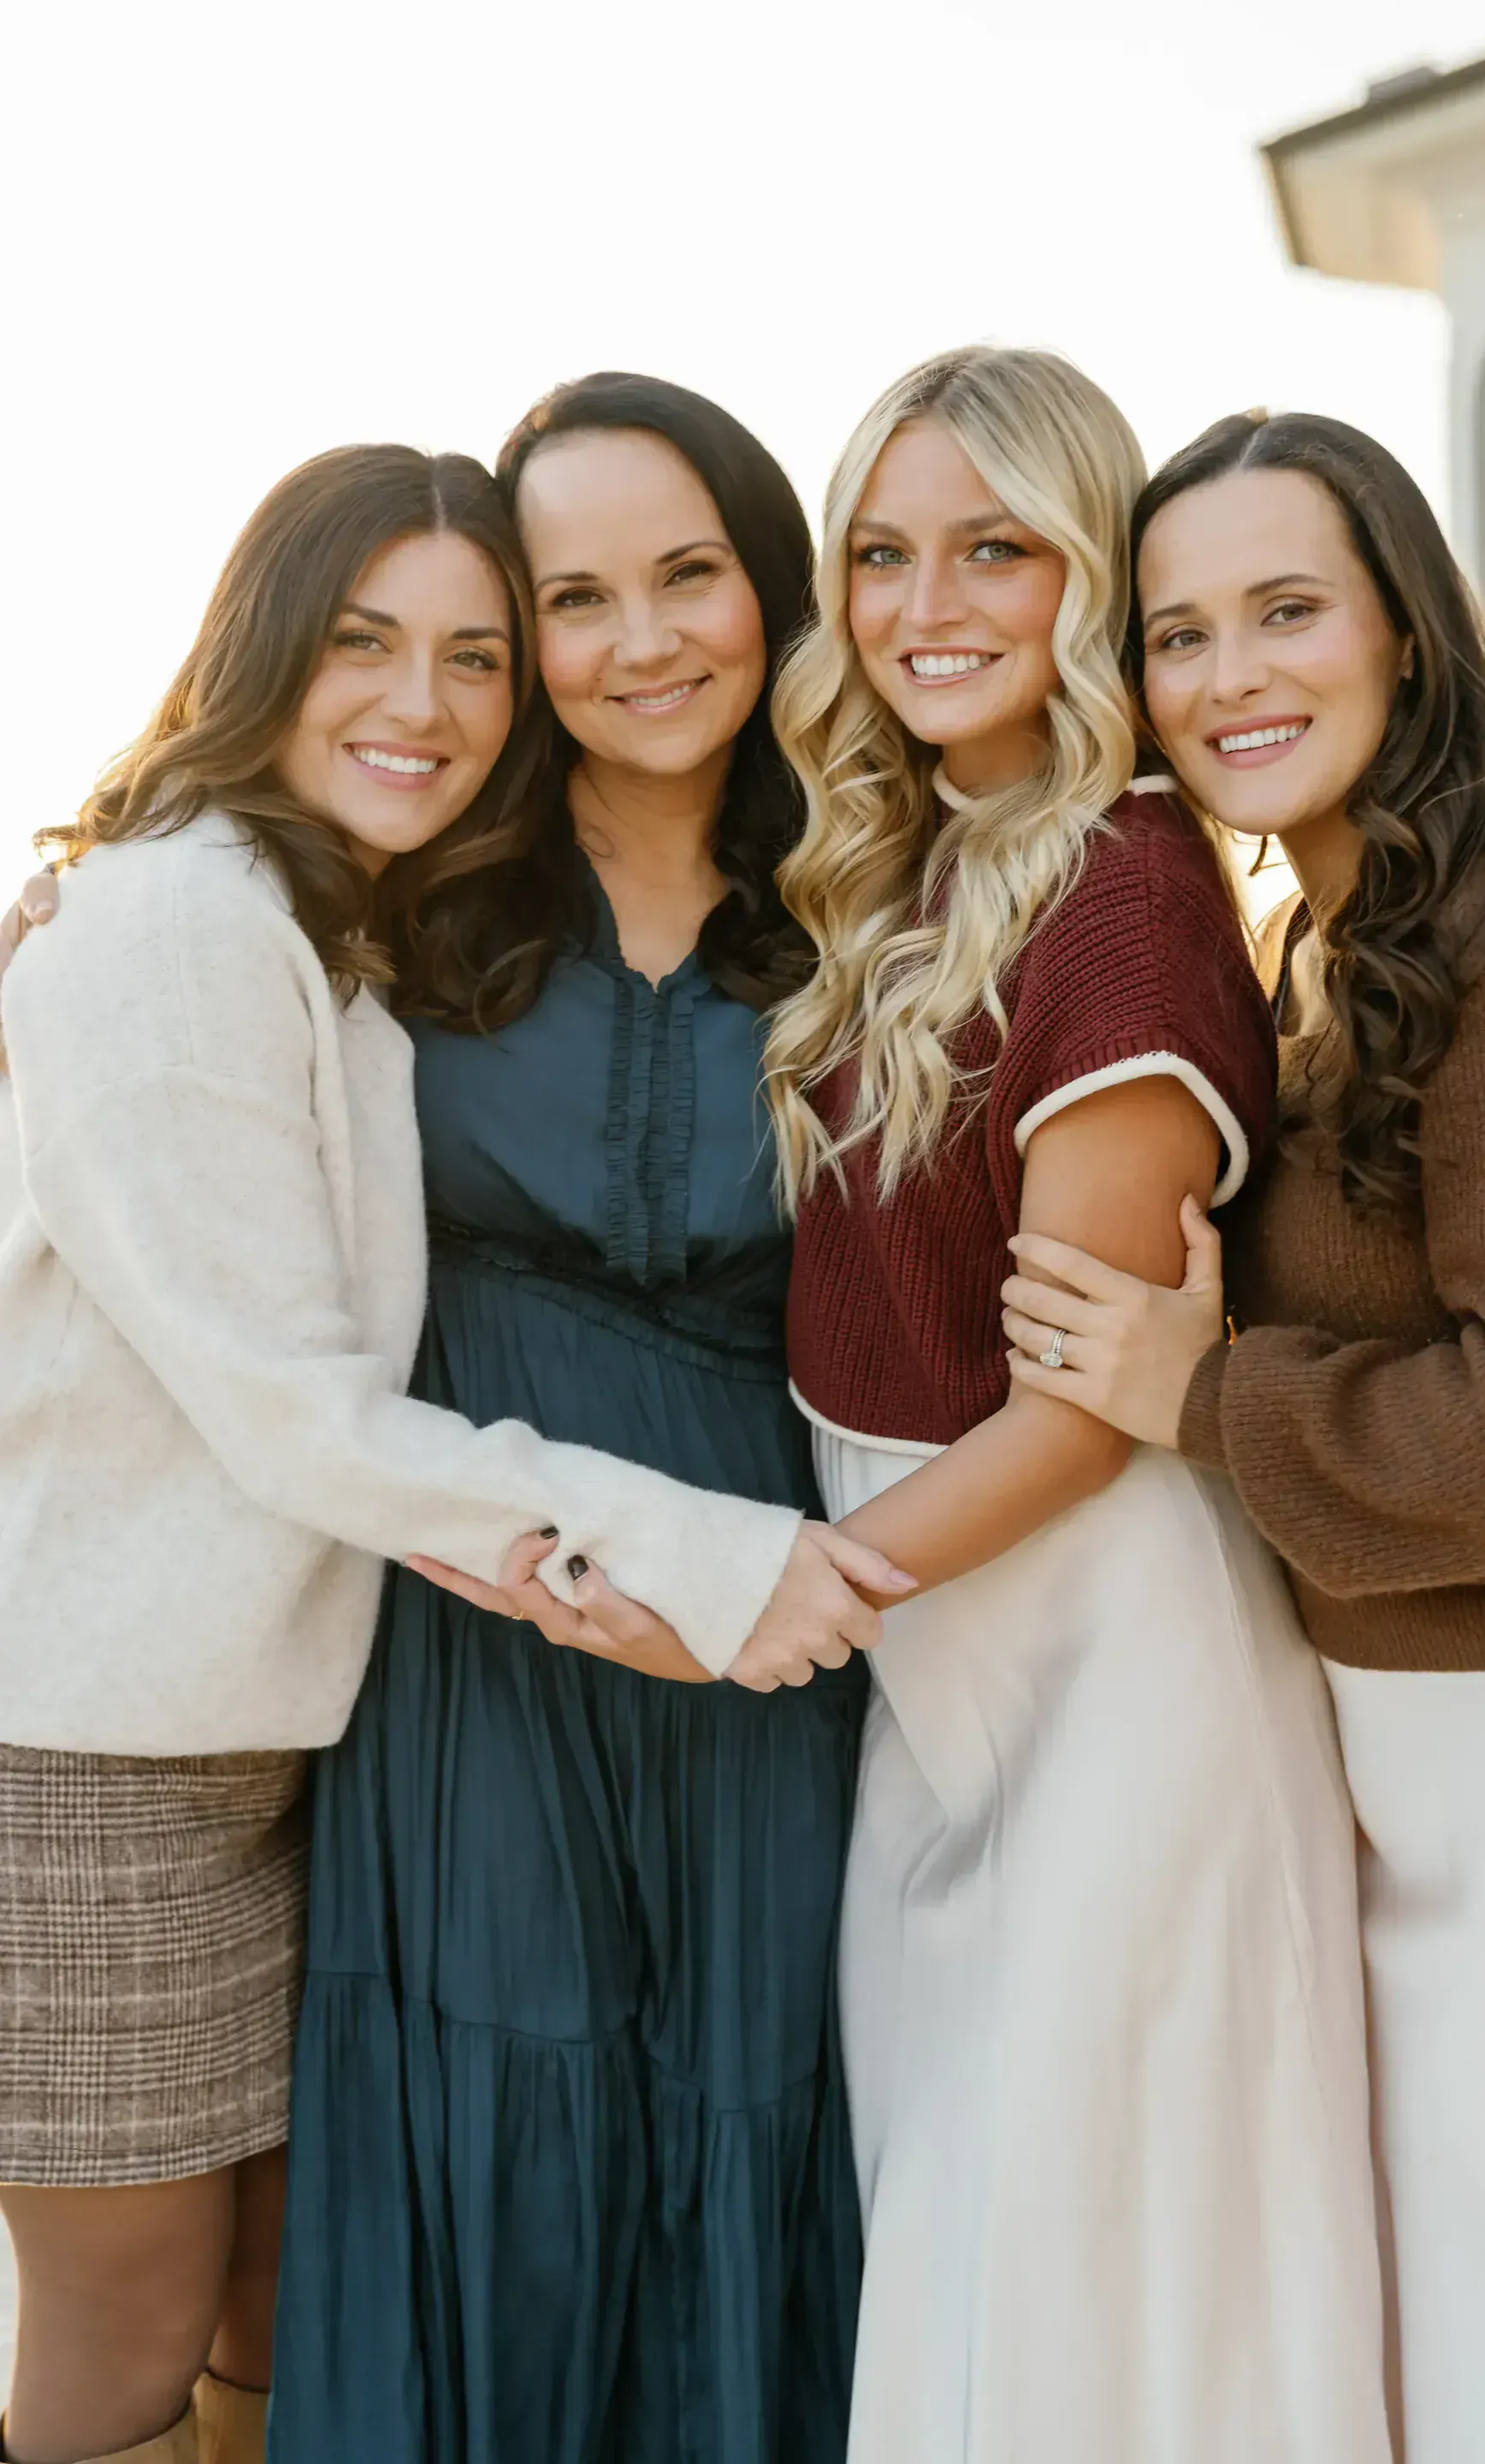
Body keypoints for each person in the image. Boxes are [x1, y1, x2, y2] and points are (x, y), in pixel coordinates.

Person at [0, 441, 891, 2464]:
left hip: (271, 1727)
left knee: (276, 2290)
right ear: (260, 651)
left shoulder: (325, 912)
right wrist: (703, 1554)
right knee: (120, 2341)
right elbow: (288, 1400)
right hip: (95, 1760)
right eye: (363, 643)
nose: (425, 701)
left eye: (471, 655)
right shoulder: (171, 921)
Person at [763, 350, 1393, 2464]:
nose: (925, 605)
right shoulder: (916, 856)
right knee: (978, 2260)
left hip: (1116, 1667)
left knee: (1099, 2289)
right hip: (947, 1668)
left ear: (1088, 576)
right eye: (881, 555)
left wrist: (789, 1593)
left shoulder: (1122, 894)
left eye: (996, 550)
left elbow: (1086, 1411)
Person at [999, 407, 1485, 2464]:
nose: (1228, 676)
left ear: (1405, 633)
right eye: (1178, 634)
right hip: (1435, 1751)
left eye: (1287, 610)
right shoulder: (1330, 942)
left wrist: (1200, 1392)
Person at [269, 376, 882, 2464]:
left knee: (758, 2109)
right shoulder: (400, 893)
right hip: (479, 1627)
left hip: (768, 1629)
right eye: (574, 600)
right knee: (495, 2138)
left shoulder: (874, 904)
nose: (640, 645)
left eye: (687, 575)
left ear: (769, 586)